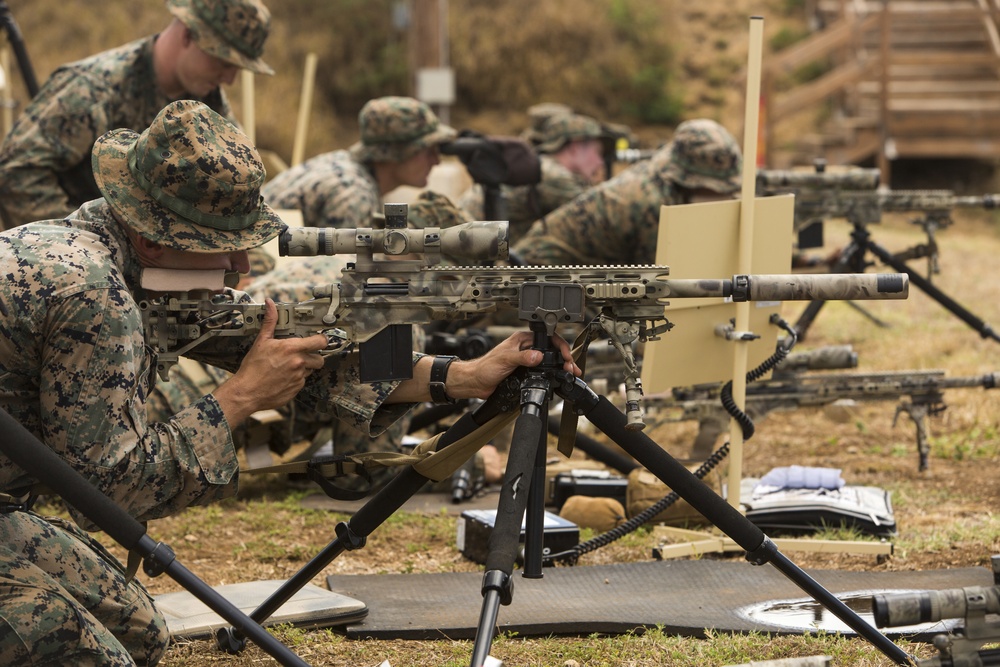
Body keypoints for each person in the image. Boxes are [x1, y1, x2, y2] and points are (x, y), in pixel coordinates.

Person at [0, 99, 577, 665]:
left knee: (141, 631)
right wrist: (241, 396)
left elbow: (318, 356)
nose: (241, 268)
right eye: (221, 248)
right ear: (155, 237)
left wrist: (465, 376)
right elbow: (112, 490)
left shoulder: (131, 266)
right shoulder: (90, 291)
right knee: (85, 651)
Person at [0, 0, 274, 231]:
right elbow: (16, 174)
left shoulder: (206, 98)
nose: (230, 78)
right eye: (224, 62)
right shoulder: (94, 89)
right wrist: (84, 239)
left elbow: (233, 188)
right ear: (188, 35)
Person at [511, 118, 743, 266]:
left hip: (569, 278)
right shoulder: (649, 202)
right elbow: (660, 285)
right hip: (539, 282)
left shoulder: (661, 181)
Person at [262, 96, 459, 229]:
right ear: (396, 152)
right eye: (427, 150)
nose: (436, 161)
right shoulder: (355, 196)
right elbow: (338, 277)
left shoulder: (343, 164)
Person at [458, 111, 608, 239]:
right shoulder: (554, 176)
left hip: (475, 236)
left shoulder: (544, 166)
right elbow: (599, 220)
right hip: (471, 242)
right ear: (575, 147)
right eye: (597, 152)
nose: (599, 162)